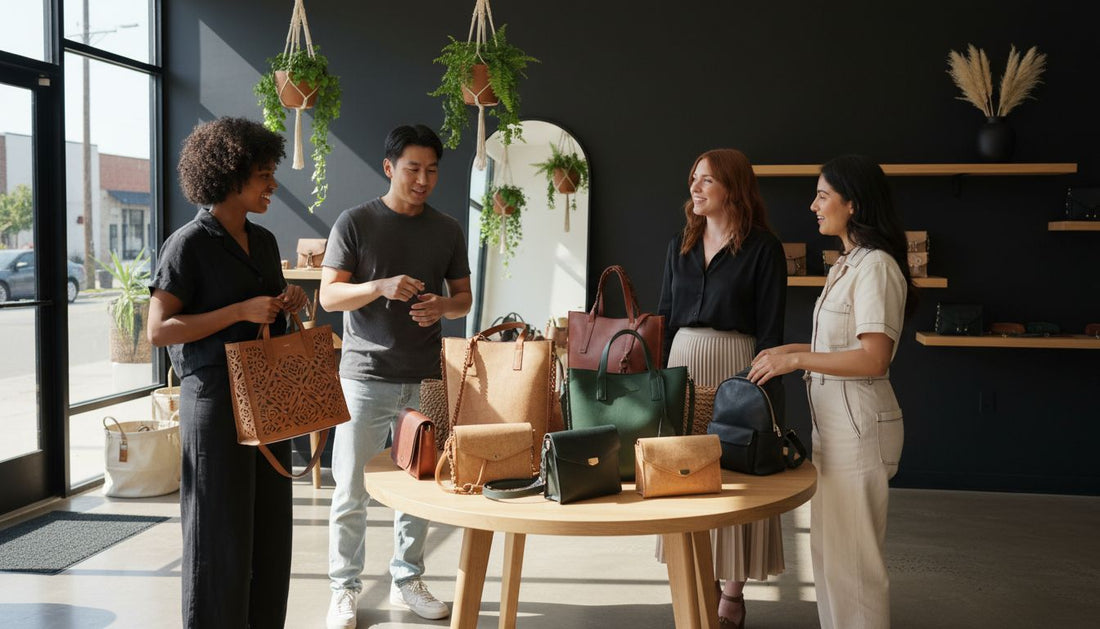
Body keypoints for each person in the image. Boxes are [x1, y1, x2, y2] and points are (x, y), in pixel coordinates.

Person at [147, 116, 307, 628]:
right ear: (230, 177)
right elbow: (159, 329)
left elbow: (266, 312)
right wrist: (239, 312)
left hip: (267, 394)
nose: (273, 185)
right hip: (215, 401)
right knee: (218, 535)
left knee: (268, 530)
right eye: (263, 175)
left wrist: (287, 302)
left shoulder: (261, 242)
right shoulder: (187, 245)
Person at [747, 154, 916, 629]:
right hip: (836, 428)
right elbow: (837, 345)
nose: (813, 205)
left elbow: (873, 357)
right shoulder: (849, 263)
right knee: (830, 557)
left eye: (823, 195)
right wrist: (788, 350)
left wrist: (796, 359)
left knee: (855, 567)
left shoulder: (876, 266)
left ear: (853, 204)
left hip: (859, 429)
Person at [321, 124, 472, 629]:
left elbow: (464, 299)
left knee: (420, 488)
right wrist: (379, 285)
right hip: (365, 376)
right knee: (350, 490)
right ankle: (343, 589)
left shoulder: (448, 229)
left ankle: (409, 579)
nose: (423, 179)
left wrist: (442, 308)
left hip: (426, 377)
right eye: (413, 169)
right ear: (389, 168)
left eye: (432, 170)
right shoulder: (356, 222)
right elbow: (328, 296)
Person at [656, 148, 787, 629]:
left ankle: (733, 588)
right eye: (693, 178)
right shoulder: (680, 246)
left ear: (732, 188)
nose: (694, 187)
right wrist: (661, 378)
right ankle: (700, 580)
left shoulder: (764, 249)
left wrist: (761, 393)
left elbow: (771, 331)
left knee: (736, 474)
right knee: (686, 475)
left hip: (737, 365)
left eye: (706, 180)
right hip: (684, 366)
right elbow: (665, 318)